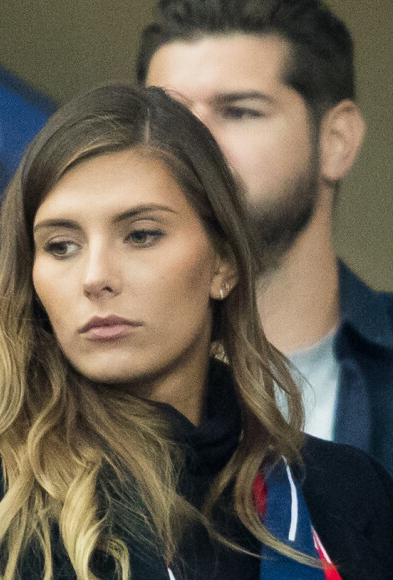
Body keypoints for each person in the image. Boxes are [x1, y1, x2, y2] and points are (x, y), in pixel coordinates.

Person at [0, 85, 392, 580]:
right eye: (61, 245)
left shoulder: (346, 497)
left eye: (141, 235)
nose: (96, 277)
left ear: (224, 263)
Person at [137, 0, 393, 473]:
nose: (194, 143)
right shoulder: (57, 387)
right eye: (171, 117)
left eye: (239, 111)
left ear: (337, 140)